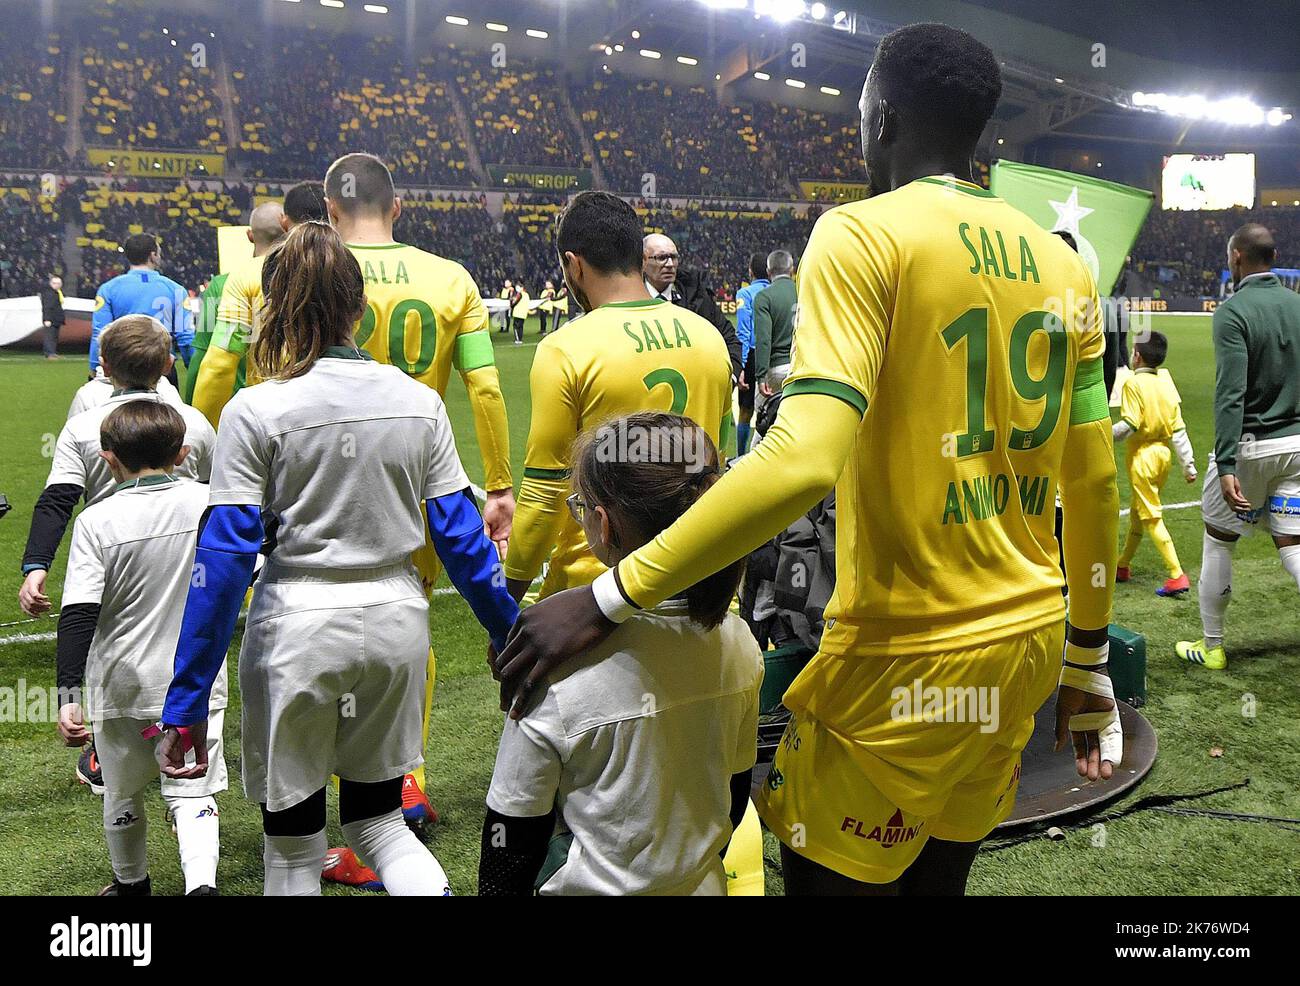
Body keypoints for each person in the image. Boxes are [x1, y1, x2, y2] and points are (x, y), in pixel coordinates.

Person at [495, 22, 1122, 897]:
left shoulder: (863, 234)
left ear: (885, 116)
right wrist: (1089, 661)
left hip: (906, 656)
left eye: (863, 109)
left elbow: (801, 461)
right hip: (1024, 647)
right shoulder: (1065, 269)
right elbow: (1094, 477)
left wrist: (609, 594)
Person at [153, 221, 518, 897]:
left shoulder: (255, 410)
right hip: (396, 627)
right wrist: (509, 634)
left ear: (276, 310)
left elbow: (226, 559)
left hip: (296, 626)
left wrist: (186, 700)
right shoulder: (419, 404)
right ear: (360, 308)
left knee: (293, 849)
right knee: (379, 825)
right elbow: (462, 540)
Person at [322, 153, 515, 876]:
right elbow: (487, 389)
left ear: (331, 212)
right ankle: (407, 778)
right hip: (419, 473)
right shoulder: (450, 278)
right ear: (397, 208)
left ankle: (348, 800)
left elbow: (239, 371)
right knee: (412, 618)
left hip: (328, 478)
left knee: (326, 621)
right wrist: (497, 484)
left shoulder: (310, 273)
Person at [481, 413, 762, 895]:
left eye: (581, 505)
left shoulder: (554, 663)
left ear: (603, 525)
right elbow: (733, 801)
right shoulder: (739, 643)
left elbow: (509, 840)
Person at [504, 190, 733, 603]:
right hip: (696, 578)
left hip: (597, 590)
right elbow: (717, 466)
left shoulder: (566, 349)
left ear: (574, 265)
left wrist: (507, 597)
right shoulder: (709, 338)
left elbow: (545, 492)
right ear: (636, 255)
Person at [56, 401, 227, 896]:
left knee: (122, 789)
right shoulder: (209, 502)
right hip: (194, 678)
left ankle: (131, 885)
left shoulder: (96, 520)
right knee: (193, 786)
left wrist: (68, 695)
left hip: (119, 681)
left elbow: (78, 614)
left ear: (108, 459)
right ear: (183, 453)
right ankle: (201, 886)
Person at [20, 315, 215, 620]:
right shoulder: (195, 422)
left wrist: (36, 565)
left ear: (105, 366)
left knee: (111, 637)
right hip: (183, 562)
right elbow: (218, 497)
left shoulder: (81, 427)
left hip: (110, 556)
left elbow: (58, 500)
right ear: (167, 365)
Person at [1177, 223, 1300, 670]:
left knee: (1220, 539)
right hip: (1297, 447)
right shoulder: (1298, 305)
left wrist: (1226, 462)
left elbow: (1231, 392)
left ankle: (1211, 647)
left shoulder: (1232, 312)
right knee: (1292, 544)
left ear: (1236, 258)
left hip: (1251, 448)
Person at [1112, 331, 1197, 595]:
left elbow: (1129, 425)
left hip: (1143, 458)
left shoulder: (1132, 384)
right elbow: (1179, 429)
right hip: (1164, 456)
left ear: (1136, 355)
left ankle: (1176, 574)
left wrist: (1101, 434)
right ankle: (1122, 565)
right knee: (1139, 513)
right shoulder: (1166, 381)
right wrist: (1189, 465)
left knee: (1151, 516)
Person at [189, 200, 288, 426]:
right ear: (288, 229)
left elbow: (203, 358)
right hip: (292, 412)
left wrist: (195, 420)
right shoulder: (307, 277)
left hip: (236, 415)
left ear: (250, 235)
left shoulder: (220, 286)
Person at [90, 233, 193, 385]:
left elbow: (100, 333)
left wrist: (95, 366)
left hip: (122, 370)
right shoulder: (175, 289)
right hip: (161, 370)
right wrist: (193, 366)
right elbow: (185, 336)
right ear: (153, 255)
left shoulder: (108, 289)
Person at [643, 232, 743, 382]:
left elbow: (730, 339)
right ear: (643, 261)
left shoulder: (697, 295)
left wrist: (731, 378)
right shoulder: (627, 297)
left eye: (674, 257)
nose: (670, 264)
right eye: (662, 258)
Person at [752, 249, 797, 433]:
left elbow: (763, 339)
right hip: (800, 367)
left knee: (764, 424)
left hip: (775, 370)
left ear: (769, 272)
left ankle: (753, 460)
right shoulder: (804, 291)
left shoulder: (764, 297)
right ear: (792, 270)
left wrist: (760, 375)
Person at [733, 253, 769, 455]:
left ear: (750, 271)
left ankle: (740, 456)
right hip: (773, 355)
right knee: (771, 408)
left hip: (753, 356)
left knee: (745, 411)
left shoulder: (744, 294)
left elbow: (744, 332)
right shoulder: (774, 293)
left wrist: (742, 365)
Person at [40, 274, 64, 360]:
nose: (57, 285)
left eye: (58, 283)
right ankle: (49, 353)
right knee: (49, 336)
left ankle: (52, 352)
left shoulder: (57, 292)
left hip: (56, 318)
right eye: (55, 283)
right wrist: (47, 319)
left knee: (54, 337)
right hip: (51, 318)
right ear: (50, 283)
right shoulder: (49, 293)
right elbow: (47, 307)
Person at [511, 279, 532, 344]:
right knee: (520, 327)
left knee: (515, 326)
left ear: (522, 288)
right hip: (523, 313)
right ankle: (520, 339)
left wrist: (511, 303)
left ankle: (517, 339)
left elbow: (514, 303)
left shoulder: (519, 294)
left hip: (517, 313)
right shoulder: (527, 295)